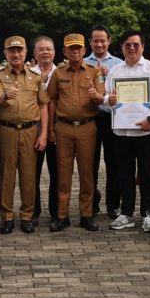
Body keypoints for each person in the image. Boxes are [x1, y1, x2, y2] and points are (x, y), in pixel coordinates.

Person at [106, 30, 150, 232]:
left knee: (148, 173)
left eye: (136, 45)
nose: (131, 48)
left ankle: (148, 214)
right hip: (122, 132)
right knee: (125, 174)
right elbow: (107, 98)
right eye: (128, 45)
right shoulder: (115, 71)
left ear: (143, 47)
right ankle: (126, 213)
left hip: (146, 131)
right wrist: (109, 100)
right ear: (122, 47)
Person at [45, 33, 105, 232]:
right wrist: (52, 127)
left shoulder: (95, 71)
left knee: (87, 173)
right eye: (71, 48)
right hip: (63, 127)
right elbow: (52, 99)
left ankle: (86, 214)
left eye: (78, 48)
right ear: (64, 51)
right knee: (64, 173)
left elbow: (101, 97)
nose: (75, 51)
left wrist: (96, 96)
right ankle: (62, 215)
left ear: (84, 50)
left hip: (87, 127)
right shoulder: (59, 73)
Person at [0, 36, 49, 234]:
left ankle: (27, 215)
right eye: (11, 51)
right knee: (7, 175)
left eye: (19, 50)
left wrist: (44, 134)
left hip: (30, 130)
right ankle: (7, 216)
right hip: (7, 130)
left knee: (29, 175)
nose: (16, 54)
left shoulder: (35, 76)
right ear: (5, 53)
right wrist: (6, 95)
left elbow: (43, 105)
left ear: (25, 53)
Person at [84, 25, 123, 217]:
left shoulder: (119, 64)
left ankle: (113, 204)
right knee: (89, 163)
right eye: (95, 40)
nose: (99, 44)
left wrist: (109, 77)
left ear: (109, 41)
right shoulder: (82, 62)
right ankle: (92, 201)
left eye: (102, 40)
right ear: (89, 42)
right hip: (90, 118)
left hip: (112, 118)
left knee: (113, 162)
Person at [32, 36, 59, 225]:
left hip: (57, 131)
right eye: (41, 49)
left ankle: (56, 212)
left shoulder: (62, 73)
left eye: (48, 49)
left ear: (54, 52)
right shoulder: (27, 73)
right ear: (34, 53)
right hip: (34, 130)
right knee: (32, 173)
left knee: (57, 173)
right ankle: (33, 212)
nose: (45, 53)